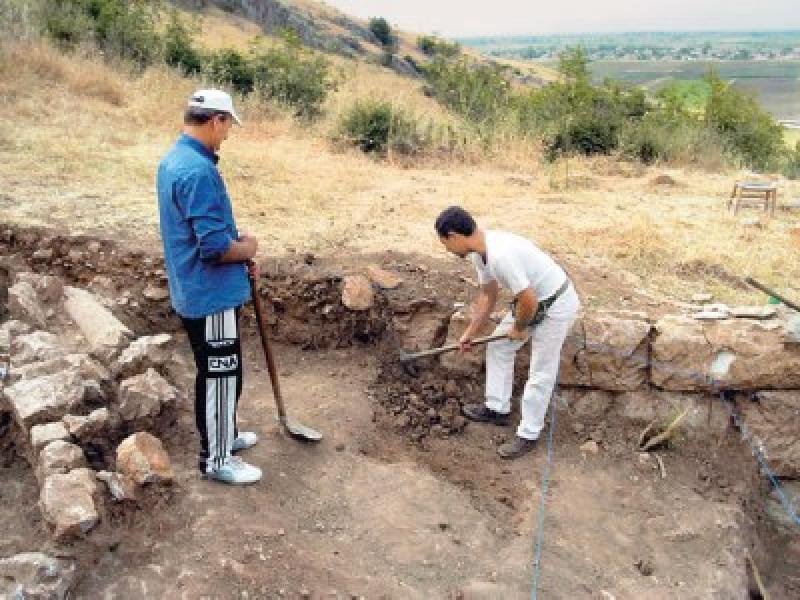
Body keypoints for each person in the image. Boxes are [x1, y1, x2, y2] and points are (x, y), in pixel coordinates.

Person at [157, 89, 262, 484]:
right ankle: (217, 460)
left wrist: (239, 254)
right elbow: (215, 248)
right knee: (219, 376)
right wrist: (247, 248)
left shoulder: (175, 160)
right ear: (216, 120)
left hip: (198, 289)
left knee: (225, 372)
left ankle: (227, 436)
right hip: (210, 296)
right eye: (228, 126)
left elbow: (205, 231)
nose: (228, 135)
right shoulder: (198, 172)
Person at [435, 206, 580, 459]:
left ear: (454, 235)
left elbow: (529, 300)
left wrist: (519, 328)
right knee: (499, 347)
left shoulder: (501, 255)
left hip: (556, 303)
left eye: (446, 244)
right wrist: (470, 332)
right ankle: (497, 408)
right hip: (532, 302)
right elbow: (488, 295)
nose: (447, 250)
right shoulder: (479, 255)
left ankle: (528, 434)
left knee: (541, 371)